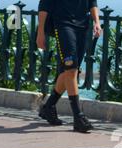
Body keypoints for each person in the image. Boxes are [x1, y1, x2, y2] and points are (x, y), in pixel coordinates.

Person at [36, 0, 102, 133]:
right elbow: (44, 5)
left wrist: (97, 22)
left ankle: (48, 107)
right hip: (63, 25)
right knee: (71, 68)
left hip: (83, 26)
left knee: (70, 71)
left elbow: (92, 3)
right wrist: (40, 32)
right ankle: (78, 117)